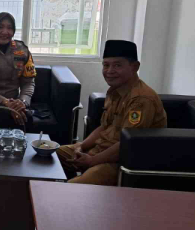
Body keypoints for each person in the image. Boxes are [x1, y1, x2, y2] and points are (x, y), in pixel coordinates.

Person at [56, 40, 167, 185]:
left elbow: (127, 144)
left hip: (119, 161)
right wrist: (81, 146)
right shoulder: (115, 91)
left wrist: (92, 161)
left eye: (117, 65)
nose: (109, 71)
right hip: (99, 150)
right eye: (106, 65)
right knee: (51, 155)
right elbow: (104, 127)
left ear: (135, 67)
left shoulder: (141, 99)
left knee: (72, 188)